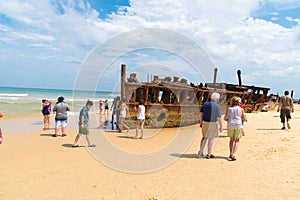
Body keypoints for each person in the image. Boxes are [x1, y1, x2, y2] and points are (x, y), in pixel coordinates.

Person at [198, 92, 222, 159]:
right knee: (211, 139)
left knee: (204, 137)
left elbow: (200, 114)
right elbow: (218, 118)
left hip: (205, 122)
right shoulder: (217, 106)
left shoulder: (205, 104)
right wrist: (221, 126)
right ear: (217, 99)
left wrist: (201, 122)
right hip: (213, 123)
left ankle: (201, 152)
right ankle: (209, 154)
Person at [224, 96, 247, 161]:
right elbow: (243, 118)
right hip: (238, 124)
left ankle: (230, 153)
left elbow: (225, 118)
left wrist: (229, 119)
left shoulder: (229, 109)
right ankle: (233, 154)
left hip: (230, 124)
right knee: (237, 140)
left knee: (231, 139)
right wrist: (245, 119)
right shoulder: (241, 109)